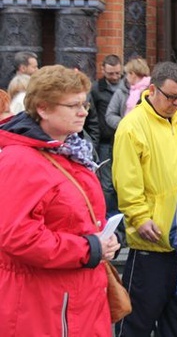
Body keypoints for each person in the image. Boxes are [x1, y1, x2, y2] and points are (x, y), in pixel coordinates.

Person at [0, 65, 120, 336]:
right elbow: (17, 236)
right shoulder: (22, 160)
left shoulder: (67, 151)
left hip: (74, 298)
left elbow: (77, 218)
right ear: (43, 109)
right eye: (73, 105)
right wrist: (89, 247)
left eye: (84, 103)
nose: (83, 111)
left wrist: (104, 241)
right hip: (44, 304)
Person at [113, 61, 177, 336]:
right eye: (171, 97)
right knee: (138, 320)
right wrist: (139, 217)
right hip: (153, 238)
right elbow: (127, 181)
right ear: (152, 90)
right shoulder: (132, 126)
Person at [90, 54, 123, 218]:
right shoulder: (96, 89)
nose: (115, 77)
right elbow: (93, 118)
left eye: (117, 73)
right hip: (105, 141)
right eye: (111, 73)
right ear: (103, 70)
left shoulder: (127, 87)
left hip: (123, 140)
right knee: (107, 184)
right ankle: (110, 217)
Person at [105, 58, 151, 131]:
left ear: (132, 74)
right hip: (126, 133)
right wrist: (125, 124)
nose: (126, 77)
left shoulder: (151, 91)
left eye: (127, 73)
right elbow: (110, 115)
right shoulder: (121, 91)